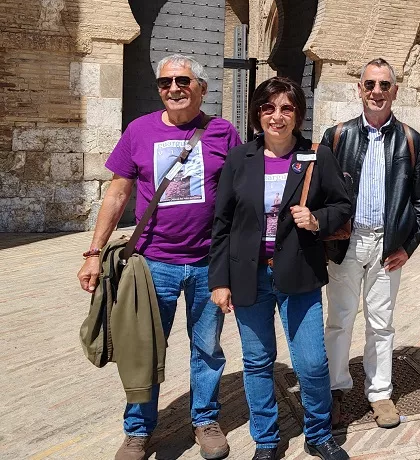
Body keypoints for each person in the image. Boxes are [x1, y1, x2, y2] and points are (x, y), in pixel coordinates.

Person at [76, 54, 241, 460]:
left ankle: (205, 420)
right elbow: (118, 192)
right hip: (152, 263)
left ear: (202, 88)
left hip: (208, 262)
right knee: (143, 348)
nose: (173, 89)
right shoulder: (139, 130)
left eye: (183, 81)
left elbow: (241, 194)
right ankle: (137, 429)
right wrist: (94, 252)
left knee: (207, 348)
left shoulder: (223, 132)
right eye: (165, 82)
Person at [209, 77, 352, 460]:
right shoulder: (239, 158)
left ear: (298, 114)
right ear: (257, 114)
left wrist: (317, 219)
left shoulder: (317, 156)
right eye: (268, 108)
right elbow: (222, 224)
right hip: (248, 274)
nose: (277, 116)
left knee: (312, 362)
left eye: (287, 108)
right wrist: (219, 280)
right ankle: (267, 440)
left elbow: (342, 205)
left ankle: (318, 433)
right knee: (257, 362)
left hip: (299, 271)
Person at [321, 58, 420, 429]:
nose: (377, 92)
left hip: (387, 245)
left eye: (384, 85)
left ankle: (380, 393)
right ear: (360, 89)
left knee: (381, 323)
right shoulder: (337, 136)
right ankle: (335, 388)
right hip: (347, 242)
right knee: (339, 319)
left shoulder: (411, 140)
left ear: (395, 91)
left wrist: (408, 246)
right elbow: (321, 193)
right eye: (370, 84)